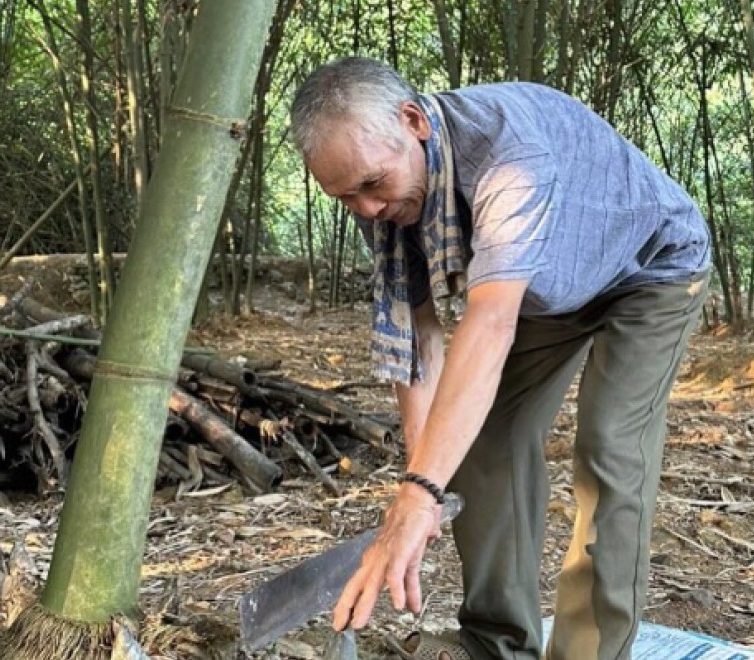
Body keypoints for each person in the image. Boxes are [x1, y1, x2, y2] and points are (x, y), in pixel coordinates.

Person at [289, 57, 711, 660]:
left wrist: (416, 495)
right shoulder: (383, 195)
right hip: (551, 285)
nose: (366, 209)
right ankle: (497, 647)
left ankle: (589, 653)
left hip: (650, 268)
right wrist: (423, 484)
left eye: (372, 185)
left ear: (414, 123)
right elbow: (419, 337)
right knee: (479, 445)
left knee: (610, 446)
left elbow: (489, 324)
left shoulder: (508, 155)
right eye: (345, 196)